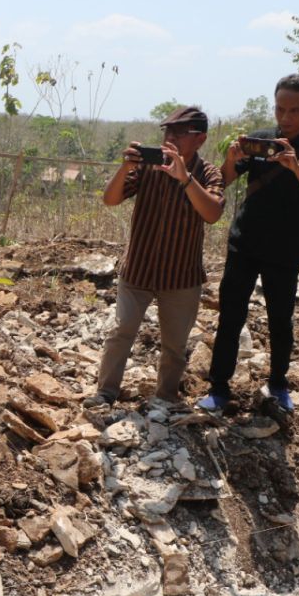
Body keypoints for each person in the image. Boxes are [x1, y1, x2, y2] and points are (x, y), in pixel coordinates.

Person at [199, 74, 299, 414]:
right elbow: (226, 179)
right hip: (244, 243)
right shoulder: (259, 141)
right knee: (231, 316)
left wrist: (294, 166)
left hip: (285, 250)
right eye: (280, 109)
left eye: (294, 110)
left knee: (280, 320)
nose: (286, 118)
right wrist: (231, 159)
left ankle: (278, 384)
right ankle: (218, 388)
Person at [84, 106, 225, 407]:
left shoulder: (207, 173)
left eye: (178, 133)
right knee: (122, 330)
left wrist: (185, 178)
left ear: (199, 139)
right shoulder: (148, 167)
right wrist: (124, 168)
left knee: (175, 344)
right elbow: (110, 199)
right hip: (138, 269)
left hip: (181, 276)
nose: (169, 138)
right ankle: (105, 392)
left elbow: (212, 212)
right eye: (167, 132)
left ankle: (165, 397)